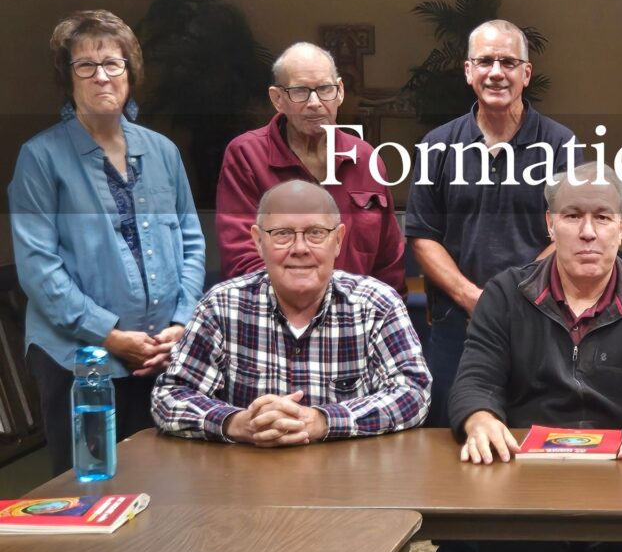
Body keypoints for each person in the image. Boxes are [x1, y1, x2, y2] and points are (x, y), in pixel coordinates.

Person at [446, 162, 622, 552]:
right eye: (572, 216)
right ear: (550, 224)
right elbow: (475, 379)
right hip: (525, 477)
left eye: (603, 217)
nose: (588, 232)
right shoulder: (505, 294)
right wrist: (479, 418)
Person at [8, 10, 206, 476]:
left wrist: (181, 322)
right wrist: (109, 335)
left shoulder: (162, 151)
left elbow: (193, 242)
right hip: (79, 358)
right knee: (92, 488)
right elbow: (38, 267)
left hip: (162, 353)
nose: (101, 76)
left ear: (130, 73)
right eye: (85, 65)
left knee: (170, 481)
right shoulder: (40, 157)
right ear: (68, 77)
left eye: (113, 63)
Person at [152, 180, 430, 444]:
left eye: (315, 233)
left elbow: (414, 393)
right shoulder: (221, 306)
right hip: (246, 472)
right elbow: (170, 395)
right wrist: (236, 423)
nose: (300, 249)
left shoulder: (377, 305)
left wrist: (323, 421)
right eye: (282, 234)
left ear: (338, 240)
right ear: (258, 241)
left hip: (350, 474)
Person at [405, 19, 580, 427]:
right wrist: (472, 298)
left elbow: (569, 230)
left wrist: (510, 298)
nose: (496, 72)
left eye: (508, 62)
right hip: (456, 321)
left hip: (539, 315)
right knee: (451, 430)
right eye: (485, 61)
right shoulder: (437, 145)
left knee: (535, 431)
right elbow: (422, 236)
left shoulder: (560, 144)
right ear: (468, 71)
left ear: (526, 73)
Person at [216, 42, 405, 293]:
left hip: (359, 315)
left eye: (325, 89)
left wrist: (384, 310)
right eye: (300, 91)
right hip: (272, 314)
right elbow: (242, 260)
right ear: (278, 99)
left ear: (340, 92)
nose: (314, 102)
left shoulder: (365, 158)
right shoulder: (247, 156)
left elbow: (389, 263)